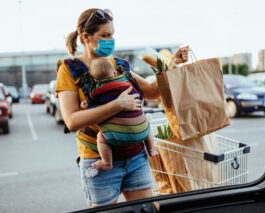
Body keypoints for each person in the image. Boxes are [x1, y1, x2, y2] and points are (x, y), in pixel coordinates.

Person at [56, 8, 189, 207]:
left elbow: (152, 91)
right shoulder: (69, 69)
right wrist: (117, 105)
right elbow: (72, 120)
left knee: (144, 211)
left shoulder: (118, 66)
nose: (110, 40)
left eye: (112, 35)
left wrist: (171, 63)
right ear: (86, 37)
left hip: (136, 157)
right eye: (105, 35)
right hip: (98, 160)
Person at [79, 58, 158, 170]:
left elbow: (91, 107)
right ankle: (151, 149)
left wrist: (84, 106)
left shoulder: (97, 92)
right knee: (147, 125)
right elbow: (141, 95)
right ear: (115, 73)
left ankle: (107, 162)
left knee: (100, 138)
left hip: (116, 135)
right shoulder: (128, 84)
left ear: (94, 79)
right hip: (141, 131)